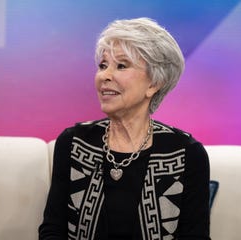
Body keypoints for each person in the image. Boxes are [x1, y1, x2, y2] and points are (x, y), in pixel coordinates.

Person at [38, 17, 210, 239]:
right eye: (103, 65)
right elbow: (53, 230)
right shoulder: (73, 142)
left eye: (121, 65)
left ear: (154, 84)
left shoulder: (187, 153)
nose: (104, 76)